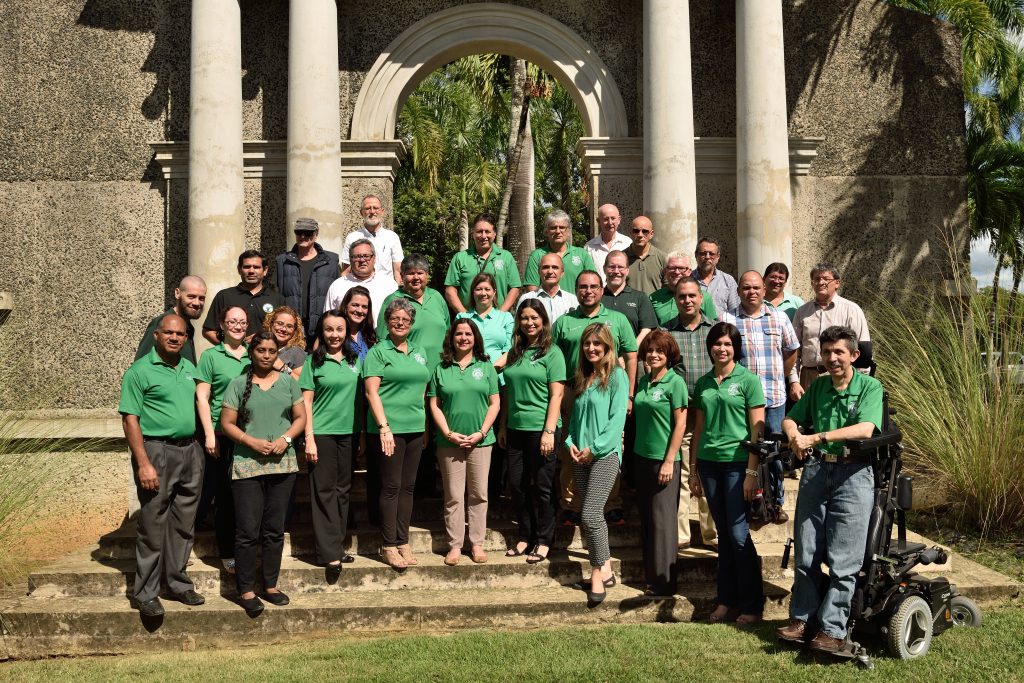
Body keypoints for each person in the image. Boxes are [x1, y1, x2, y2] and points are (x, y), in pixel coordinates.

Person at [776, 325, 883, 653]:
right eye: (827, 352)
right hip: (817, 472)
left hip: (854, 475)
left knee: (844, 558)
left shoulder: (870, 387)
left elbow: (865, 428)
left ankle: (833, 630)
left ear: (853, 355)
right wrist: (794, 434)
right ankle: (802, 620)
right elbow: (789, 418)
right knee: (806, 551)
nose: (832, 358)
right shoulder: (819, 386)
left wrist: (817, 437)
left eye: (839, 352)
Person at [119, 314, 205, 617]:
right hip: (156, 451)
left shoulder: (188, 368)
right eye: (168, 333)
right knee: (153, 525)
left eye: (180, 334)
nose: (174, 338)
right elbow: (130, 419)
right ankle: (146, 593)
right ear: (156, 335)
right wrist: (143, 463)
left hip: (189, 451)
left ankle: (178, 583)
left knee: (183, 524)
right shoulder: (139, 372)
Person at [221, 331, 306, 615]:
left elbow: (301, 417)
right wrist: (250, 441)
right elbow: (227, 424)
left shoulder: (287, 383)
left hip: (283, 465)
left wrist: (287, 439)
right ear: (252, 351)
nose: (267, 355)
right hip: (247, 466)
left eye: (272, 351)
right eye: (262, 350)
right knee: (247, 531)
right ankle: (245, 589)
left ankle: (270, 585)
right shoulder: (237, 384)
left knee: (274, 529)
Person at [690, 321, 765, 625]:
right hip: (708, 464)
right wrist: (693, 469)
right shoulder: (704, 383)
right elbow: (698, 429)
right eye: (717, 343)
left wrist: (752, 472)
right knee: (724, 537)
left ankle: (751, 604)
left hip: (738, 465)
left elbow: (757, 431)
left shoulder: (748, 380)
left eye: (728, 344)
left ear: (736, 349)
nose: (722, 349)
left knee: (737, 535)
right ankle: (726, 601)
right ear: (709, 347)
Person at [552, 270, 637, 525]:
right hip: (572, 390)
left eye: (593, 287)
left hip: (607, 389)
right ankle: (571, 505)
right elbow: (553, 357)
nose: (588, 291)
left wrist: (630, 394)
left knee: (609, 447)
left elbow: (631, 356)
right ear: (576, 290)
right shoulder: (564, 322)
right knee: (571, 449)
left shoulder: (618, 319)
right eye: (582, 287)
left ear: (602, 290)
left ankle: (610, 504)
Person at [719, 271, 799, 519]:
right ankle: (748, 501)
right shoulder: (728, 319)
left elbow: (791, 351)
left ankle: (776, 502)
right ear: (739, 291)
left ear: (764, 290)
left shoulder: (779, 318)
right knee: (745, 451)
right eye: (745, 288)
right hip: (741, 400)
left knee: (773, 452)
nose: (751, 292)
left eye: (756, 288)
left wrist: (782, 377)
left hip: (773, 398)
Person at [363, 298, 432, 570]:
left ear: (411, 324)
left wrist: (425, 427)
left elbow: (423, 391)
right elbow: (371, 392)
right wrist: (384, 427)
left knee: (408, 487)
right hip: (388, 430)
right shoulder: (378, 353)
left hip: (415, 428)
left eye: (405, 320)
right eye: (395, 319)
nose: (400, 323)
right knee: (391, 487)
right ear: (387, 323)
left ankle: (403, 539)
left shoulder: (419, 351)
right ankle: (388, 544)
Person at [565, 323, 629, 606]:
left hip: (604, 455)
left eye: (597, 344)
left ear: (607, 347)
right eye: (588, 344)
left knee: (590, 515)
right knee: (593, 515)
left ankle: (595, 574)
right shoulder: (583, 377)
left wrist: (596, 448)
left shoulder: (617, 376)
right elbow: (575, 421)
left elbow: (617, 421)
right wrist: (570, 444)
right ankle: (606, 569)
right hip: (580, 456)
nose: (592, 349)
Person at [427, 319, 501, 565]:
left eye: (468, 333)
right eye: (459, 334)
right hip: (450, 442)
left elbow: (495, 403)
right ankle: (455, 545)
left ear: (475, 337)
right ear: (452, 338)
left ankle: (477, 543)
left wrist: (481, 432)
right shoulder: (441, 368)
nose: (463, 338)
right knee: (454, 496)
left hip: (481, 441)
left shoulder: (486, 366)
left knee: (479, 493)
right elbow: (434, 405)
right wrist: (448, 433)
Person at [499, 299, 566, 564]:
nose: (529, 322)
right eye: (524, 318)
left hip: (542, 429)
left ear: (543, 320)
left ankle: (544, 539)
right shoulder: (515, 352)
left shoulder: (552, 353)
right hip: (515, 429)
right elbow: (508, 392)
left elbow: (557, 394)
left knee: (543, 487)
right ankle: (525, 536)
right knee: (516, 485)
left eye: (534, 317)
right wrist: (503, 424)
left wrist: (549, 431)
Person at [300, 310, 362, 584]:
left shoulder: (355, 359)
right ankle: (329, 554)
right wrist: (309, 437)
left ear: (346, 331)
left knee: (342, 491)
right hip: (322, 434)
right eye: (329, 330)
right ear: (321, 332)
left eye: (339, 329)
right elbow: (306, 404)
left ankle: (334, 546)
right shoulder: (314, 361)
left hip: (348, 433)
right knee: (323, 491)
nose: (334, 335)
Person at [662, 277, 718, 551]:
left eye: (692, 295)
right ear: (676, 299)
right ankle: (682, 533)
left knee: (707, 471)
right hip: (682, 413)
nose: (687, 300)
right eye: (682, 296)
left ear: (700, 298)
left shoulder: (717, 330)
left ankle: (712, 533)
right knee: (683, 472)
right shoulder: (667, 332)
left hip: (711, 413)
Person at [194, 306, 250, 574]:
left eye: (242, 322)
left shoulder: (255, 353)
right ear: (222, 325)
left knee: (247, 498)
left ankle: (248, 550)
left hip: (251, 436)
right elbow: (202, 398)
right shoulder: (210, 356)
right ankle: (228, 552)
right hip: (221, 435)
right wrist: (208, 434)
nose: (238, 326)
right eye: (232, 322)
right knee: (225, 498)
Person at [632, 330, 688, 597]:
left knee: (663, 522)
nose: (654, 355)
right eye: (650, 351)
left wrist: (669, 461)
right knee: (647, 520)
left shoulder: (675, 383)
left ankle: (665, 582)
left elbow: (681, 424)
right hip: (641, 458)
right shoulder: (644, 381)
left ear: (669, 356)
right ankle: (651, 577)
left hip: (664, 461)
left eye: (660, 352)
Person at [790, 263, 870, 393]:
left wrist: (859, 382)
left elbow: (862, 348)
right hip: (809, 378)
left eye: (826, 279)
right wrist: (794, 380)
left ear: (837, 283)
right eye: (816, 279)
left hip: (842, 377)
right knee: (810, 413)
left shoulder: (851, 310)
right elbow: (794, 350)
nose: (820, 282)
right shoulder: (802, 312)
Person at [275, 217, 340, 346]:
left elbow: (338, 293)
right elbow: (275, 293)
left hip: (322, 328)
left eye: (308, 233)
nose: (303, 236)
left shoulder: (331, 261)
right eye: (299, 232)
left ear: (316, 234)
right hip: (291, 328)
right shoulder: (282, 261)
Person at [379, 254, 450, 370]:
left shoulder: (437, 297)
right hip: (409, 371)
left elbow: (448, 332)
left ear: (427, 275)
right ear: (402, 276)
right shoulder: (392, 300)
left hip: (441, 370)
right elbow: (382, 340)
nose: (416, 277)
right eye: (410, 273)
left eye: (420, 273)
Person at [444, 213, 521, 313]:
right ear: (473, 233)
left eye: (487, 232)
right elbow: (450, 290)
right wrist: (465, 315)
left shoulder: (506, 257)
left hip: (498, 321)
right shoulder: (460, 258)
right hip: (468, 323)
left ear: (494, 234)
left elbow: (515, 289)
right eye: (479, 231)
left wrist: (500, 316)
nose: (484, 236)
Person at [202, 250, 284, 344]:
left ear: (265, 270)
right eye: (247, 267)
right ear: (239, 269)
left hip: (266, 356)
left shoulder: (277, 299)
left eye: (256, 267)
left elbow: (285, 332)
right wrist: (230, 349)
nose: (251, 271)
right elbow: (208, 331)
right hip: (232, 358)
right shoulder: (224, 296)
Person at [325, 238, 398, 327]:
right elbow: (327, 320)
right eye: (357, 256)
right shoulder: (338, 286)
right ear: (350, 259)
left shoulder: (389, 285)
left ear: (374, 258)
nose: (362, 260)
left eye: (366, 256)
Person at [135, 275, 207, 365]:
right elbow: (140, 365)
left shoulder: (189, 328)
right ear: (177, 293)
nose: (197, 303)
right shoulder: (162, 322)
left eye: (201, 298)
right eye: (191, 297)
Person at [523, 209, 596, 293]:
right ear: (547, 231)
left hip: (576, 305)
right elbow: (532, 291)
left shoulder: (582, 255)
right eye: (553, 228)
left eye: (562, 227)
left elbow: (592, 283)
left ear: (568, 231)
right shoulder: (536, 256)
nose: (558, 231)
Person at [340, 194, 404, 285]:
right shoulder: (352, 238)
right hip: (359, 291)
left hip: (386, 290)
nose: (372, 211)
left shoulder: (392, 237)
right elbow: (346, 271)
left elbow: (398, 271)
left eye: (376, 208)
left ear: (382, 211)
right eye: (368, 208)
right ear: (361, 213)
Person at [455, 272, 514, 369]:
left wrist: (490, 371)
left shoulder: (506, 318)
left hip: (499, 377)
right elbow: (456, 349)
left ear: (494, 292)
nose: (483, 293)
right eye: (478, 289)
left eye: (487, 289)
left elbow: (510, 350)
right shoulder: (461, 318)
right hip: (469, 375)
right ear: (473, 292)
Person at [602, 249, 658, 344]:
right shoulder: (596, 298)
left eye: (621, 267)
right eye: (612, 267)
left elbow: (647, 329)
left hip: (632, 357)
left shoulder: (640, 298)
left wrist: (631, 351)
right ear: (604, 269)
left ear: (627, 270)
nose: (616, 271)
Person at [650, 252, 717, 326]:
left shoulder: (704, 297)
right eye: (672, 268)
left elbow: (712, 327)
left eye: (681, 268)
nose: (677, 272)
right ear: (665, 271)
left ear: (689, 271)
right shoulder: (654, 298)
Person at [515, 252, 579, 323]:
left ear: (562, 273)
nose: (550, 271)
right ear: (539, 271)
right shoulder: (526, 299)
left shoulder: (573, 300)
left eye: (555, 267)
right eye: (545, 267)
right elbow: (518, 329)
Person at [584, 203, 633, 282]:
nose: (610, 223)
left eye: (613, 218)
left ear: (619, 220)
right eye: (606, 219)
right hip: (599, 293)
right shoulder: (589, 247)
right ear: (598, 221)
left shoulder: (628, 243)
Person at [694, 236, 739, 314]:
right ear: (696, 255)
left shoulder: (728, 281)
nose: (707, 257)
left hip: (721, 325)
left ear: (718, 257)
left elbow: (735, 311)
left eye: (711, 254)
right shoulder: (688, 280)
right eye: (703, 254)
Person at [625, 216, 668, 295]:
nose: (640, 235)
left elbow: (668, 288)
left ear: (651, 234)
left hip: (654, 306)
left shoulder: (663, 258)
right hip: (628, 306)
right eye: (636, 231)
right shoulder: (622, 258)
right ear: (630, 233)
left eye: (645, 231)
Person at [263, 306, 306, 380]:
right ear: (271, 323)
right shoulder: (260, 346)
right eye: (279, 323)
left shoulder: (296, 353)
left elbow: (302, 383)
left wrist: (282, 368)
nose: (283, 329)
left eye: (289, 326)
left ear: (295, 330)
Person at [340, 286, 377, 361]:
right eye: (355, 305)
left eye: (364, 307)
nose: (360, 310)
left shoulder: (370, 336)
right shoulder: (334, 334)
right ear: (346, 306)